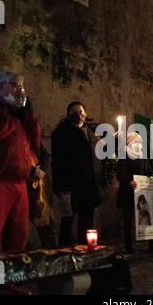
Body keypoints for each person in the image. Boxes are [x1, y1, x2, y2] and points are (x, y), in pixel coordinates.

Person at [0, 71, 41, 295]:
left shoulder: (15, 116)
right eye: (15, 86)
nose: (20, 91)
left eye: (22, 87)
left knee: (17, 237)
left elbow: (31, 145)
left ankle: (8, 283)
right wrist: (14, 121)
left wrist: (29, 118)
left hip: (19, 183)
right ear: (1, 86)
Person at [51, 101, 102, 246]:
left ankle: (84, 251)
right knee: (68, 220)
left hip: (89, 184)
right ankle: (64, 252)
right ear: (68, 115)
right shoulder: (61, 133)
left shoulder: (90, 132)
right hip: (71, 185)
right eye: (74, 112)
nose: (79, 115)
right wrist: (60, 188)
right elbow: (58, 162)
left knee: (87, 221)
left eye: (81, 111)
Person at [117, 132, 153, 254]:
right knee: (129, 220)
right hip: (128, 194)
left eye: (140, 142)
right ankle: (128, 245)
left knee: (148, 216)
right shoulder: (124, 155)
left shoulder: (142, 156)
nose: (138, 145)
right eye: (136, 142)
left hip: (142, 193)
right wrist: (128, 182)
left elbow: (148, 172)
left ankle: (151, 243)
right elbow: (120, 173)